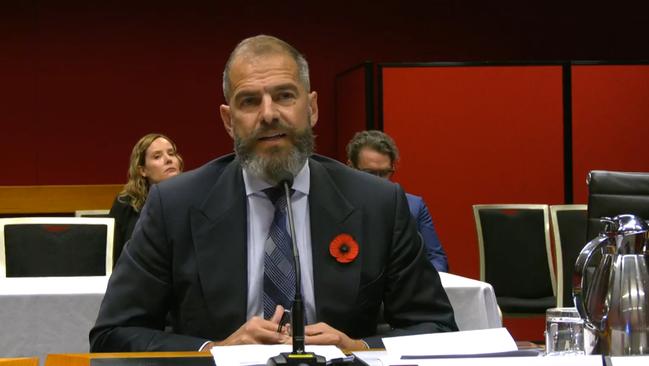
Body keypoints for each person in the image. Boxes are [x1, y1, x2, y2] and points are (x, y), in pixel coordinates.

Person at [90, 35, 456, 353]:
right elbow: (112, 333)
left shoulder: (378, 203)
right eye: (249, 101)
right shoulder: (174, 205)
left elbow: (438, 328)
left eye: (284, 95)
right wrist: (214, 350)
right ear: (227, 119)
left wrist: (358, 347)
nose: (269, 114)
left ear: (311, 108)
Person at [346, 130, 449, 272]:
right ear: (351, 168)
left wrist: (427, 284)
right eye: (369, 173)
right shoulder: (337, 205)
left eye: (384, 173)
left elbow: (436, 257)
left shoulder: (414, 206)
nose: (377, 180)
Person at [108, 133, 183, 265]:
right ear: (143, 170)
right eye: (157, 156)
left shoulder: (195, 197)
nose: (168, 159)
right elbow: (113, 257)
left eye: (171, 153)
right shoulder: (126, 203)